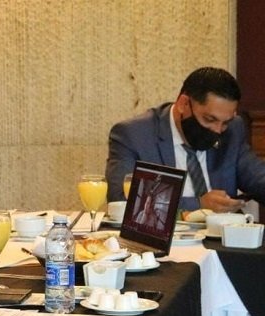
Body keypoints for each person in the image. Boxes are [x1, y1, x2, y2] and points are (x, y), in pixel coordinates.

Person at [106, 66, 265, 213]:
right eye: (209, 119)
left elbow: (258, 178)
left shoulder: (233, 130)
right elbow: (121, 199)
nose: (217, 130)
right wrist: (199, 204)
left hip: (223, 232)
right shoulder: (134, 135)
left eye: (225, 123)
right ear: (183, 104)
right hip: (171, 233)